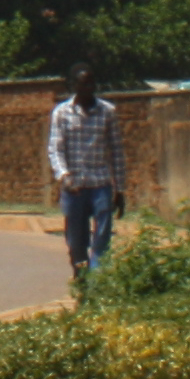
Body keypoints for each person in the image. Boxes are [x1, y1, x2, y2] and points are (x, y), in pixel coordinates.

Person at [47, 65, 124, 278]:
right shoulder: (61, 113)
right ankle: (80, 276)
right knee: (76, 242)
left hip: (100, 185)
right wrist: (64, 176)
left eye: (92, 82)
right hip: (75, 188)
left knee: (102, 238)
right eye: (84, 83)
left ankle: (96, 283)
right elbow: (55, 149)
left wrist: (121, 189)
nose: (89, 87)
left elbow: (116, 150)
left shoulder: (108, 112)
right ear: (74, 86)